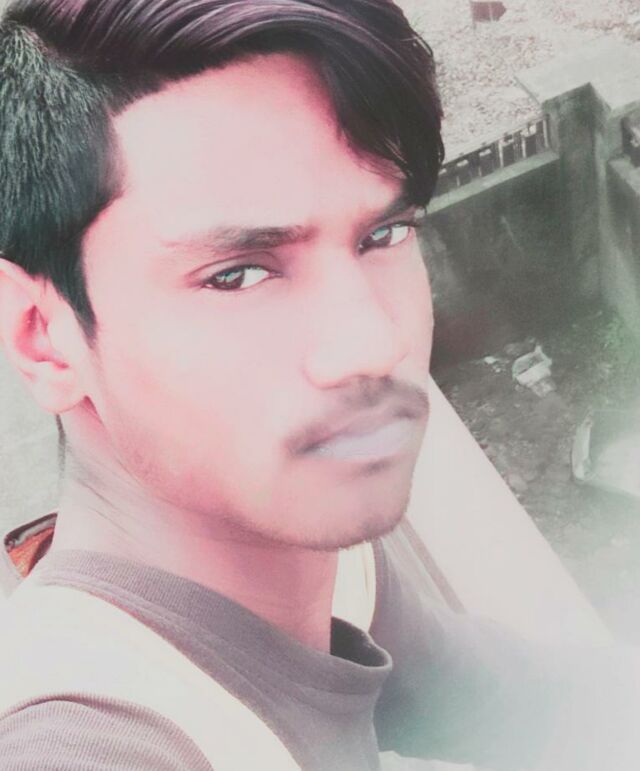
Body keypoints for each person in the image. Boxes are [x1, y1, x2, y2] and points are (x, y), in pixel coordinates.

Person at [0, 1, 638, 769]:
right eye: (237, 275)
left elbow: (503, 704)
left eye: (384, 234)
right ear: (42, 336)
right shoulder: (85, 742)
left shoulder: (321, 560)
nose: (373, 344)